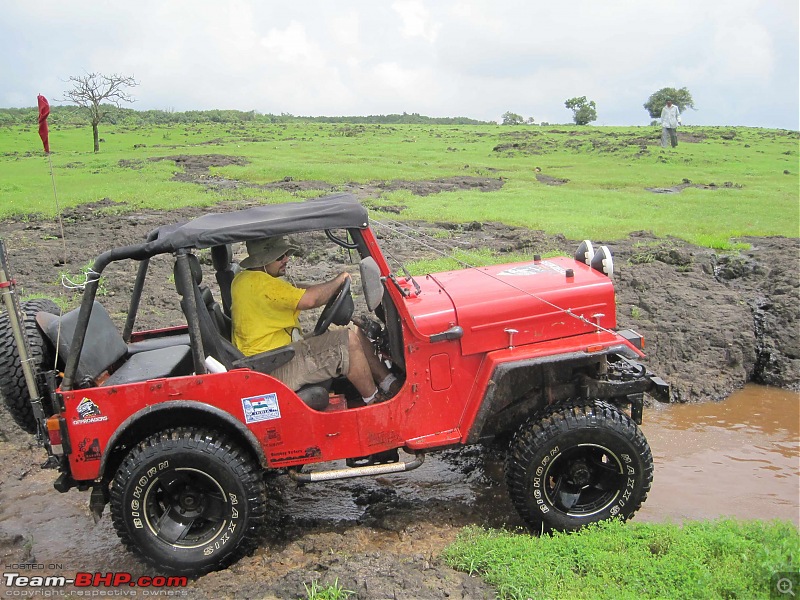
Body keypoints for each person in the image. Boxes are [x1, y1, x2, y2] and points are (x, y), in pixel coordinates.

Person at [231, 236, 399, 405]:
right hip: (272, 366)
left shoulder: (245, 279)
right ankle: (374, 401)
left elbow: (297, 290)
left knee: (352, 330)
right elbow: (310, 300)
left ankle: (389, 382)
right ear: (263, 260)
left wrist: (330, 287)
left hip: (273, 357)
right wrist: (340, 279)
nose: (286, 259)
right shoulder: (260, 283)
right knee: (347, 342)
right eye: (279, 256)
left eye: (286, 254)